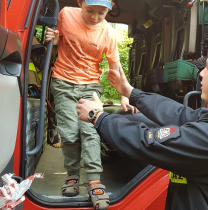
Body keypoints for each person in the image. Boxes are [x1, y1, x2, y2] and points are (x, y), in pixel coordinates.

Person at [76, 40, 208, 209]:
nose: (201, 74)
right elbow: (180, 114)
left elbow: (146, 142)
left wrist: (97, 116)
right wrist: (131, 92)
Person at [45, 0, 134, 209]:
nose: (94, 17)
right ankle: (72, 176)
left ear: (110, 8)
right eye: (90, 10)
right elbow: (58, 39)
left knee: (90, 131)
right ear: (80, 3)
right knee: (69, 133)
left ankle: (94, 180)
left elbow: (115, 65)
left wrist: (125, 93)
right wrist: (55, 39)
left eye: (101, 13)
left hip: (90, 86)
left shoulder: (108, 34)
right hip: (63, 82)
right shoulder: (66, 14)